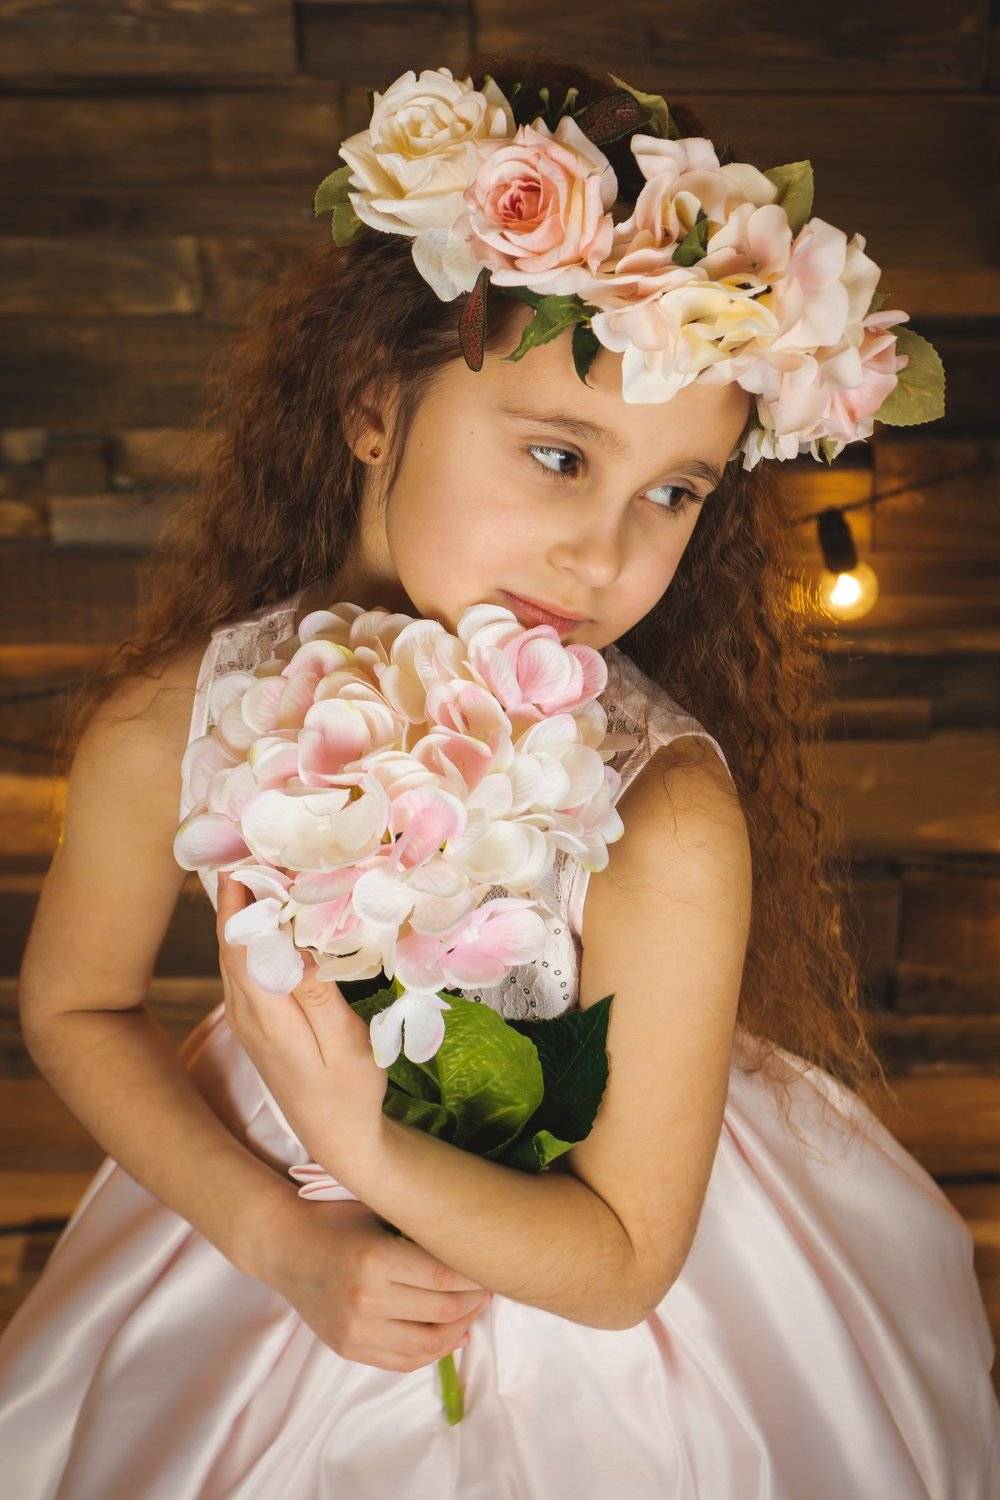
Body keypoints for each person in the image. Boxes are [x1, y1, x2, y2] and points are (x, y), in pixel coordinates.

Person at [1, 49, 996, 1499]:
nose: (602, 555)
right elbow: (74, 1004)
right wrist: (281, 1236)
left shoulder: (663, 812)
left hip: (599, 1302)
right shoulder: (177, 722)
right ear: (372, 403)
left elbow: (622, 1267)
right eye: (558, 457)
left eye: (672, 493)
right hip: (270, 1235)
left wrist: (359, 1139)